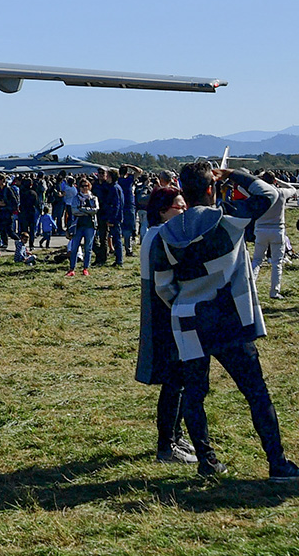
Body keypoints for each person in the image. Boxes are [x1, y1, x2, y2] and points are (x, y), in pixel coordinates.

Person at [153, 162, 298, 480]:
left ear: (183, 190)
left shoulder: (165, 233)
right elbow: (270, 193)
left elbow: (162, 285)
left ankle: (207, 461)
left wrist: (184, 302)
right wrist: (232, 174)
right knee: (256, 392)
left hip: (188, 318)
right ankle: (277, 463)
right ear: (210, 188)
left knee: (194, 393)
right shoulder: (226, 217)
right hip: (230, 318)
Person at [135, 186, 195, 465]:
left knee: (177, 381)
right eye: (179, 207)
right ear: (163, 211)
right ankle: (167, 445)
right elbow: (165, 286)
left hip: (160, 311)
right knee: (175, 382)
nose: (184, 211)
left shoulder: (152, 234)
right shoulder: (163, 236)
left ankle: (174, 436)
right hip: (167, 314)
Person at [252, 170, 296, 299]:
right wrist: (279, 181)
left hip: (261, 229)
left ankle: (252, 287)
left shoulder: (259, 194)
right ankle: (274, 292)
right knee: (277, 263)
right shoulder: (281, 193)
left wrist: (257, 179)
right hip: (277, 229)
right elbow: (292, 189)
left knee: (257, 261)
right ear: (274, 181)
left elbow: (242, 187)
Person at [66, 178, 98, 276]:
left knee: (88, 248)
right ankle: (72, 269)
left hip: (90, 225)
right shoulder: (76, 198)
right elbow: (74, 211)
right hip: (78, 225)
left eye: (86, 186)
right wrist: (88, 211)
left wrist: (82, 209)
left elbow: (95, 210)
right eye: (83, 186)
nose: (85, 188)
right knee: (74, 247)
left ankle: (85, 268)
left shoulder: (93, 198)